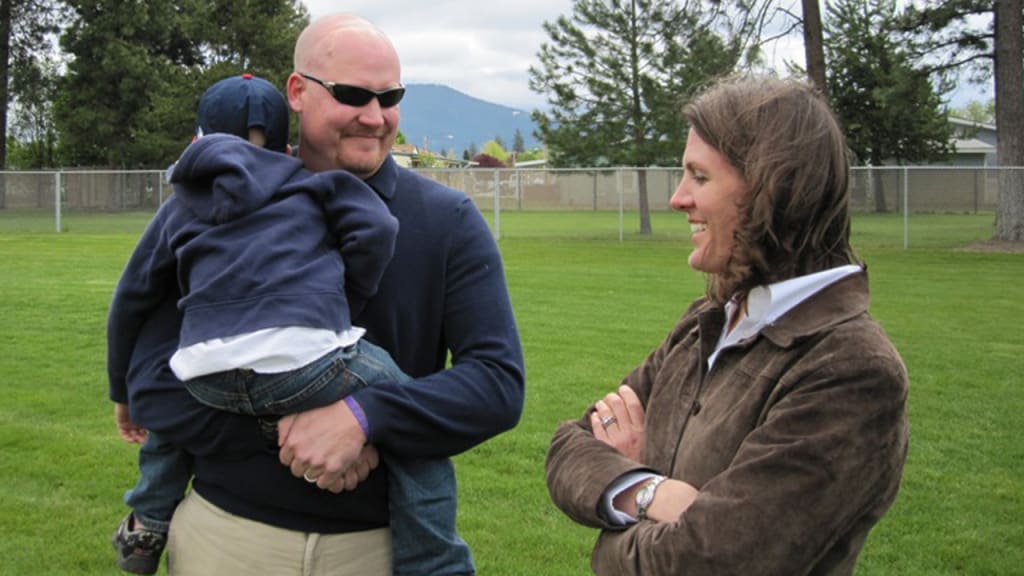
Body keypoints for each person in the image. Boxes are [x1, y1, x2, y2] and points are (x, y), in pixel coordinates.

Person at [110, 13, 525, 576]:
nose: (374, 116)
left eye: (390, 98)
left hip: (379, 552)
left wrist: (365, 417)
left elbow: (496, 386)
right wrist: (291, 433)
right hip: (228, 540)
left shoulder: (447, 220)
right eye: (352, 94)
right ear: (297, 92)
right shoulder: (219, 208)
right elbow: (154, 380)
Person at [545, 76, 909, 575]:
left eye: (699, 177)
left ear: (771, 189)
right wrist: (650, 491)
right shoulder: (708, 321)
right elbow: (569, 447)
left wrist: (612, 533)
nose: (678, 199)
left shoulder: (850, 369)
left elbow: (709, 561)